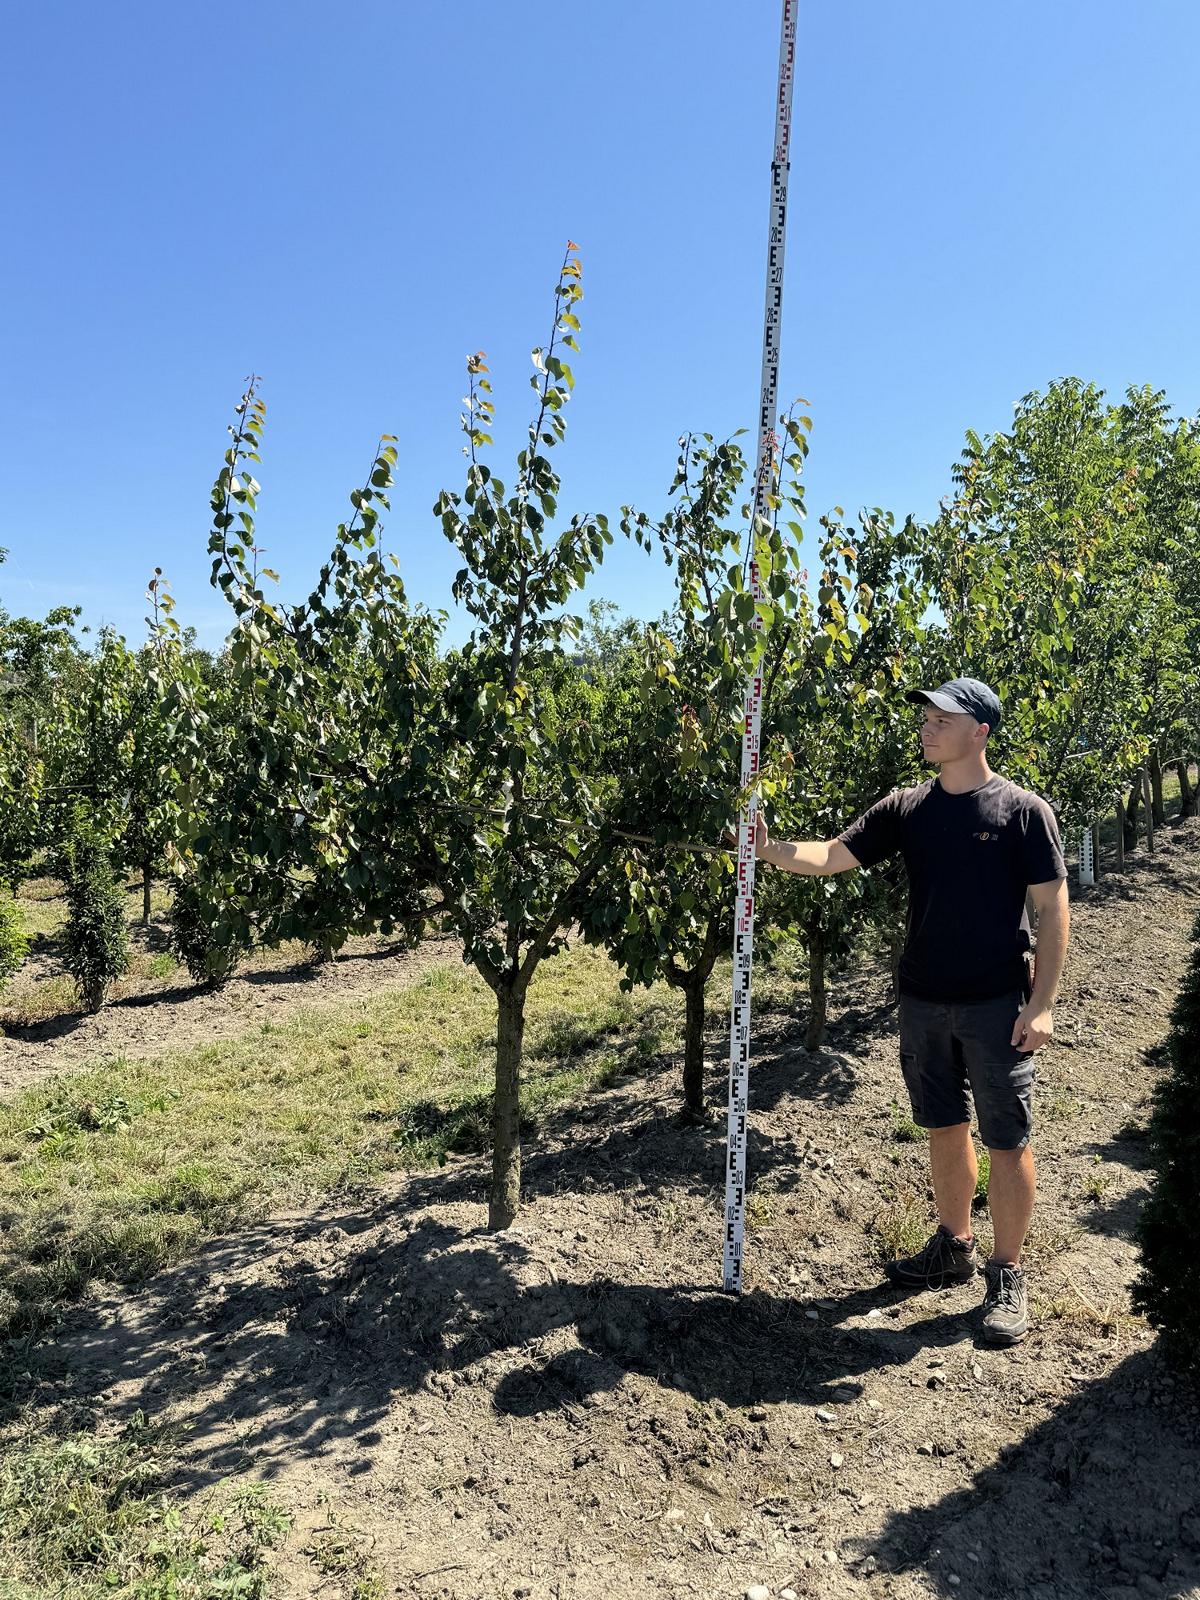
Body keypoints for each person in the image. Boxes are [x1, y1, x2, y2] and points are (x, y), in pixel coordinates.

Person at [754, 677, 1069, 1345]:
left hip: (995, 1005)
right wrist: (769, 850)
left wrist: (1041, 1005)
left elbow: (1052, 909)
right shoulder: (908, 809)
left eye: (941, 717)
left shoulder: (1021, 811)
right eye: (924, 716)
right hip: (924, 1001)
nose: (926, 727)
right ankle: (952, 1247)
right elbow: (835, 856)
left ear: (980, 730)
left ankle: (1006, 1272)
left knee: (1007, 1140)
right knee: (944, 1125)